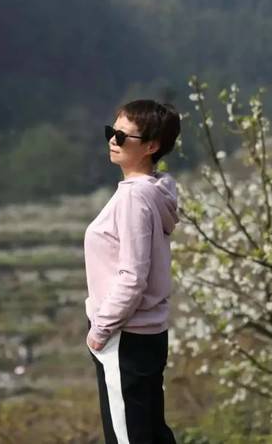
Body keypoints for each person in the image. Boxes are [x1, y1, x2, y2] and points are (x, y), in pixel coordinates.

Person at [84, 99, 180, 444]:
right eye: (111, 132)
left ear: (151, 146)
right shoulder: (155, 191)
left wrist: (100, 330)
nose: (113, 141)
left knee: (129, 437)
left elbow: (132, 276)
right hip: (147, 333)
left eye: (123, 136)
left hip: (125, 335)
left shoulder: (134, 198)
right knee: (152, 433)